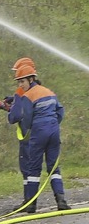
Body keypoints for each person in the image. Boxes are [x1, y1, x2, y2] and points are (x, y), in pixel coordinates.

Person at [7, 64, 71, 213]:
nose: (20, 85)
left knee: (33, 168)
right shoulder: (48, 91)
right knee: (53, 166)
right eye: (19, 82)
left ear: (31, 79)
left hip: (38, 132)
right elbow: (60, 110)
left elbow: (27, 117)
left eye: (22, 81)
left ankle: (31, 204)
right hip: (54, 131)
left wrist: (30, 131)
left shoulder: (28, 96)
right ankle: (61, 200)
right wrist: (53, 123)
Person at [0, 57, 38, 209]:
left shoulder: (21, 92)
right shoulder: (40, 90)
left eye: (19, 76)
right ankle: (55, 199)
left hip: (27, 136)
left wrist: (8, 109)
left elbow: (15, 117)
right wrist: (14, 100)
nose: (18, 82)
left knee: (26, 167)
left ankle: (29, 201)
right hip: (41, 133)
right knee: (39, 167)